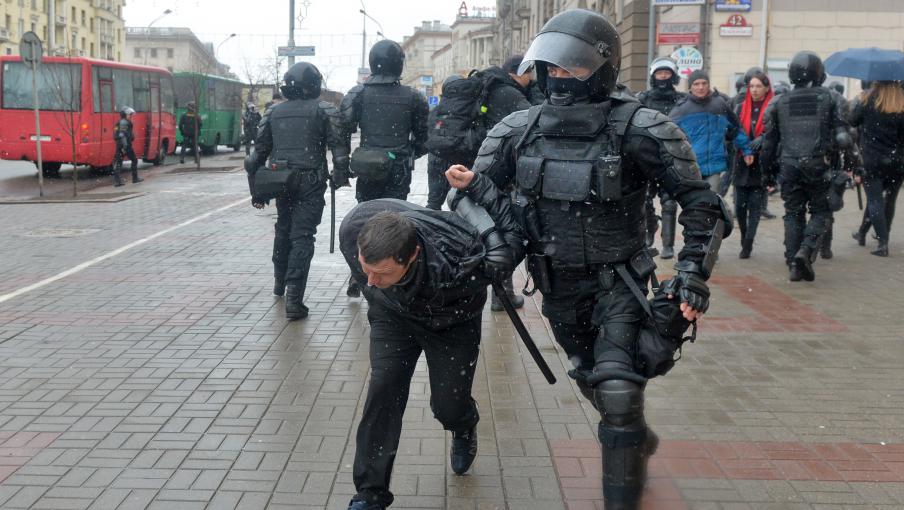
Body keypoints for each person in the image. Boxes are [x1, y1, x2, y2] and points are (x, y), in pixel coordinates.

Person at [445, 9, 731, 508]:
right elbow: (473, 194)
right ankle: (632, 438)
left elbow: (702, 204)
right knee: (591, 378)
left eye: (571, 68)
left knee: (618, 390)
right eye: (551, 68)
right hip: (554, 284)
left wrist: (691, 273)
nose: (559, 78)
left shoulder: (642, 126)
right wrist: (490, 235)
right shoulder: (518, 128)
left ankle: (623, 469)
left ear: (601, 68)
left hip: (618, 281)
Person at [340, 198, 522, 510]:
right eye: (366, 268)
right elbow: (369, 284)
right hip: (393, 317)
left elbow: (513, 236)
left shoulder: (462, 261)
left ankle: (463, 424)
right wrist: (380, 291)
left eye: (382, 272)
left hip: (452, 323)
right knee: (383, 389)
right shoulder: (354, 228)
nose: (371, 279)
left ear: (411, 255)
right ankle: (370, 494)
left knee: (449, 405)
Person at [244, 62, 350, 319]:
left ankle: (280, 283)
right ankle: (294, 296)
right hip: (310, 182)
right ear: (314, 85)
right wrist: (339, 176)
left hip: (281, 180)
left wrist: (256, 191)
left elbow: (255, 157)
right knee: (302, 236)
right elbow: (339, 151)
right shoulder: (325, 110)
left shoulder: (272, 112)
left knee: (283, 230)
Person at [340, 39, 429, 298]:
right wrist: (405, 153)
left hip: (368, 169)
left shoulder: (358, 94)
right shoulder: (412, 97)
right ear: (399, 65)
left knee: (364, 219)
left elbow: (342, 131)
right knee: (392, 222)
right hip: (397, 169)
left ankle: (361, 274)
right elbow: (424, 139)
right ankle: (389, 275)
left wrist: (345, 165)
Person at [761, 51, 851, 281]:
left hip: (789, 165)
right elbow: (843, 137)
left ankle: (793, 262)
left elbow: (769, 142)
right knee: (822, 211)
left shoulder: (779, 101)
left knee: (793, 213)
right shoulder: (831, 98)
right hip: (817, 164)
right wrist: (848, 161)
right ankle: (806, 249)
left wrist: (767, 172)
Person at [671, 69, 753, 241]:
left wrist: (746, 150)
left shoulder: (719, 105)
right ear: (690, 87)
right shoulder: (681, 109)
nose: (701, 87)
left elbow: (736, 129)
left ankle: (708, 243)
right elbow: (666, 133)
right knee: (695, 206)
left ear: (708, 84)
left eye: (704, 83)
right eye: (696, 84)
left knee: (710, 204)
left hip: (714, 166)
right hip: (692, 167)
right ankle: (695, 239)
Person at [848, 81, 904, 257]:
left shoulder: (868, 99)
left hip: (872, 159)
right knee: (889, 200)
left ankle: (882, 243)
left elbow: (852, 121)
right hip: (898, 160)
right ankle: (863, 233)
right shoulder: (901, 102)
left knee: (875, 200)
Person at [637, 57, 686, 256]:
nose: (663, 77)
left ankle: (668, 245)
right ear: (653, 76)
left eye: (666, 73)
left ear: (673, 76)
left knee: (669, 201)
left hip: (671, 155)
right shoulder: (644, 98)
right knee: (644, 200)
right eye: (660, 73)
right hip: (646, 155)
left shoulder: (682, 100)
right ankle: (650, 230)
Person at [733, 71, 774, 258]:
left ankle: (748, 244)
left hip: (762, 163)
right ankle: (744, 235)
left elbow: (777, 132)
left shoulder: (773, 106)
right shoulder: (741, 107)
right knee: (740, 207)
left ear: (766, 88)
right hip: (742, 160)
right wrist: (746, 149)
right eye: (752, 86)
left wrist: (763, 138)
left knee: (755, 207)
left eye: (758, 86)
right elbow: (734, 130)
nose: (755, 90)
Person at [112, 107, 141, 187]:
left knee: (118, 162)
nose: (130, 116)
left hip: (119, 145)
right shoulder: (124, 122)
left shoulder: (119, 122)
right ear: (125, 115)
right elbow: (122, 135)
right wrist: (125, 146)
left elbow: (116, 134)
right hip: (125, 145)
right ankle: (135, 178)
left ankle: (118, 182)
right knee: (134, 160)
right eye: (129, 115)